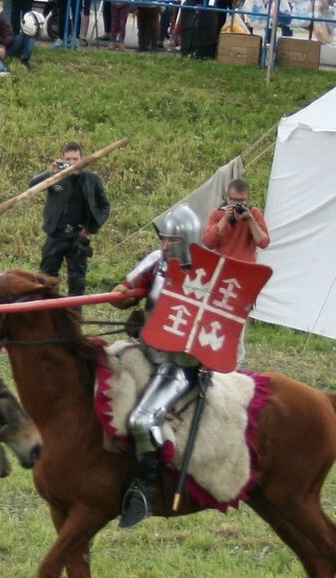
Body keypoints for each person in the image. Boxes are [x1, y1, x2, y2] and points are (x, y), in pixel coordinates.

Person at [108, 204, 205, 528]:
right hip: (146, 349)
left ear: (185, 239)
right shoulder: (156, 261)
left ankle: (144, 491)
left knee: (141, 419)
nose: (165, 245)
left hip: (179, 362)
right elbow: (125, 291)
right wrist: (122, 295)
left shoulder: (206, 272)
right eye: (163, 238)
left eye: (171, 240)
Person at [30, 142, 111, 299]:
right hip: (56, 235)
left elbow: (104, 206)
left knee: (77, 281)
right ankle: (47, 315)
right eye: (68, 159)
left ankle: (74, 317)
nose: (72, 163)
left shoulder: (91, 179)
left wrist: (91, 227)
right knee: (46, 279)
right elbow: (32, 187)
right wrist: (49, 173)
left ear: (83, 159)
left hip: (78, 237)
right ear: (62, 159)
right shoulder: (55, 177)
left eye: (75, 159)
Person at [202, 178, 269, 264]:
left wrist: (250, 220)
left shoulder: (254, 213)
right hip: (223, 267)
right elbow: (208, 243)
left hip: (245, 268)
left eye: (241, 201)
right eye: (233, 200)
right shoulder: (217, 214)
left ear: (247, 197)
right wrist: (225, 219)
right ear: (227, 196)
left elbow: (264, 243)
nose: (237, 205)